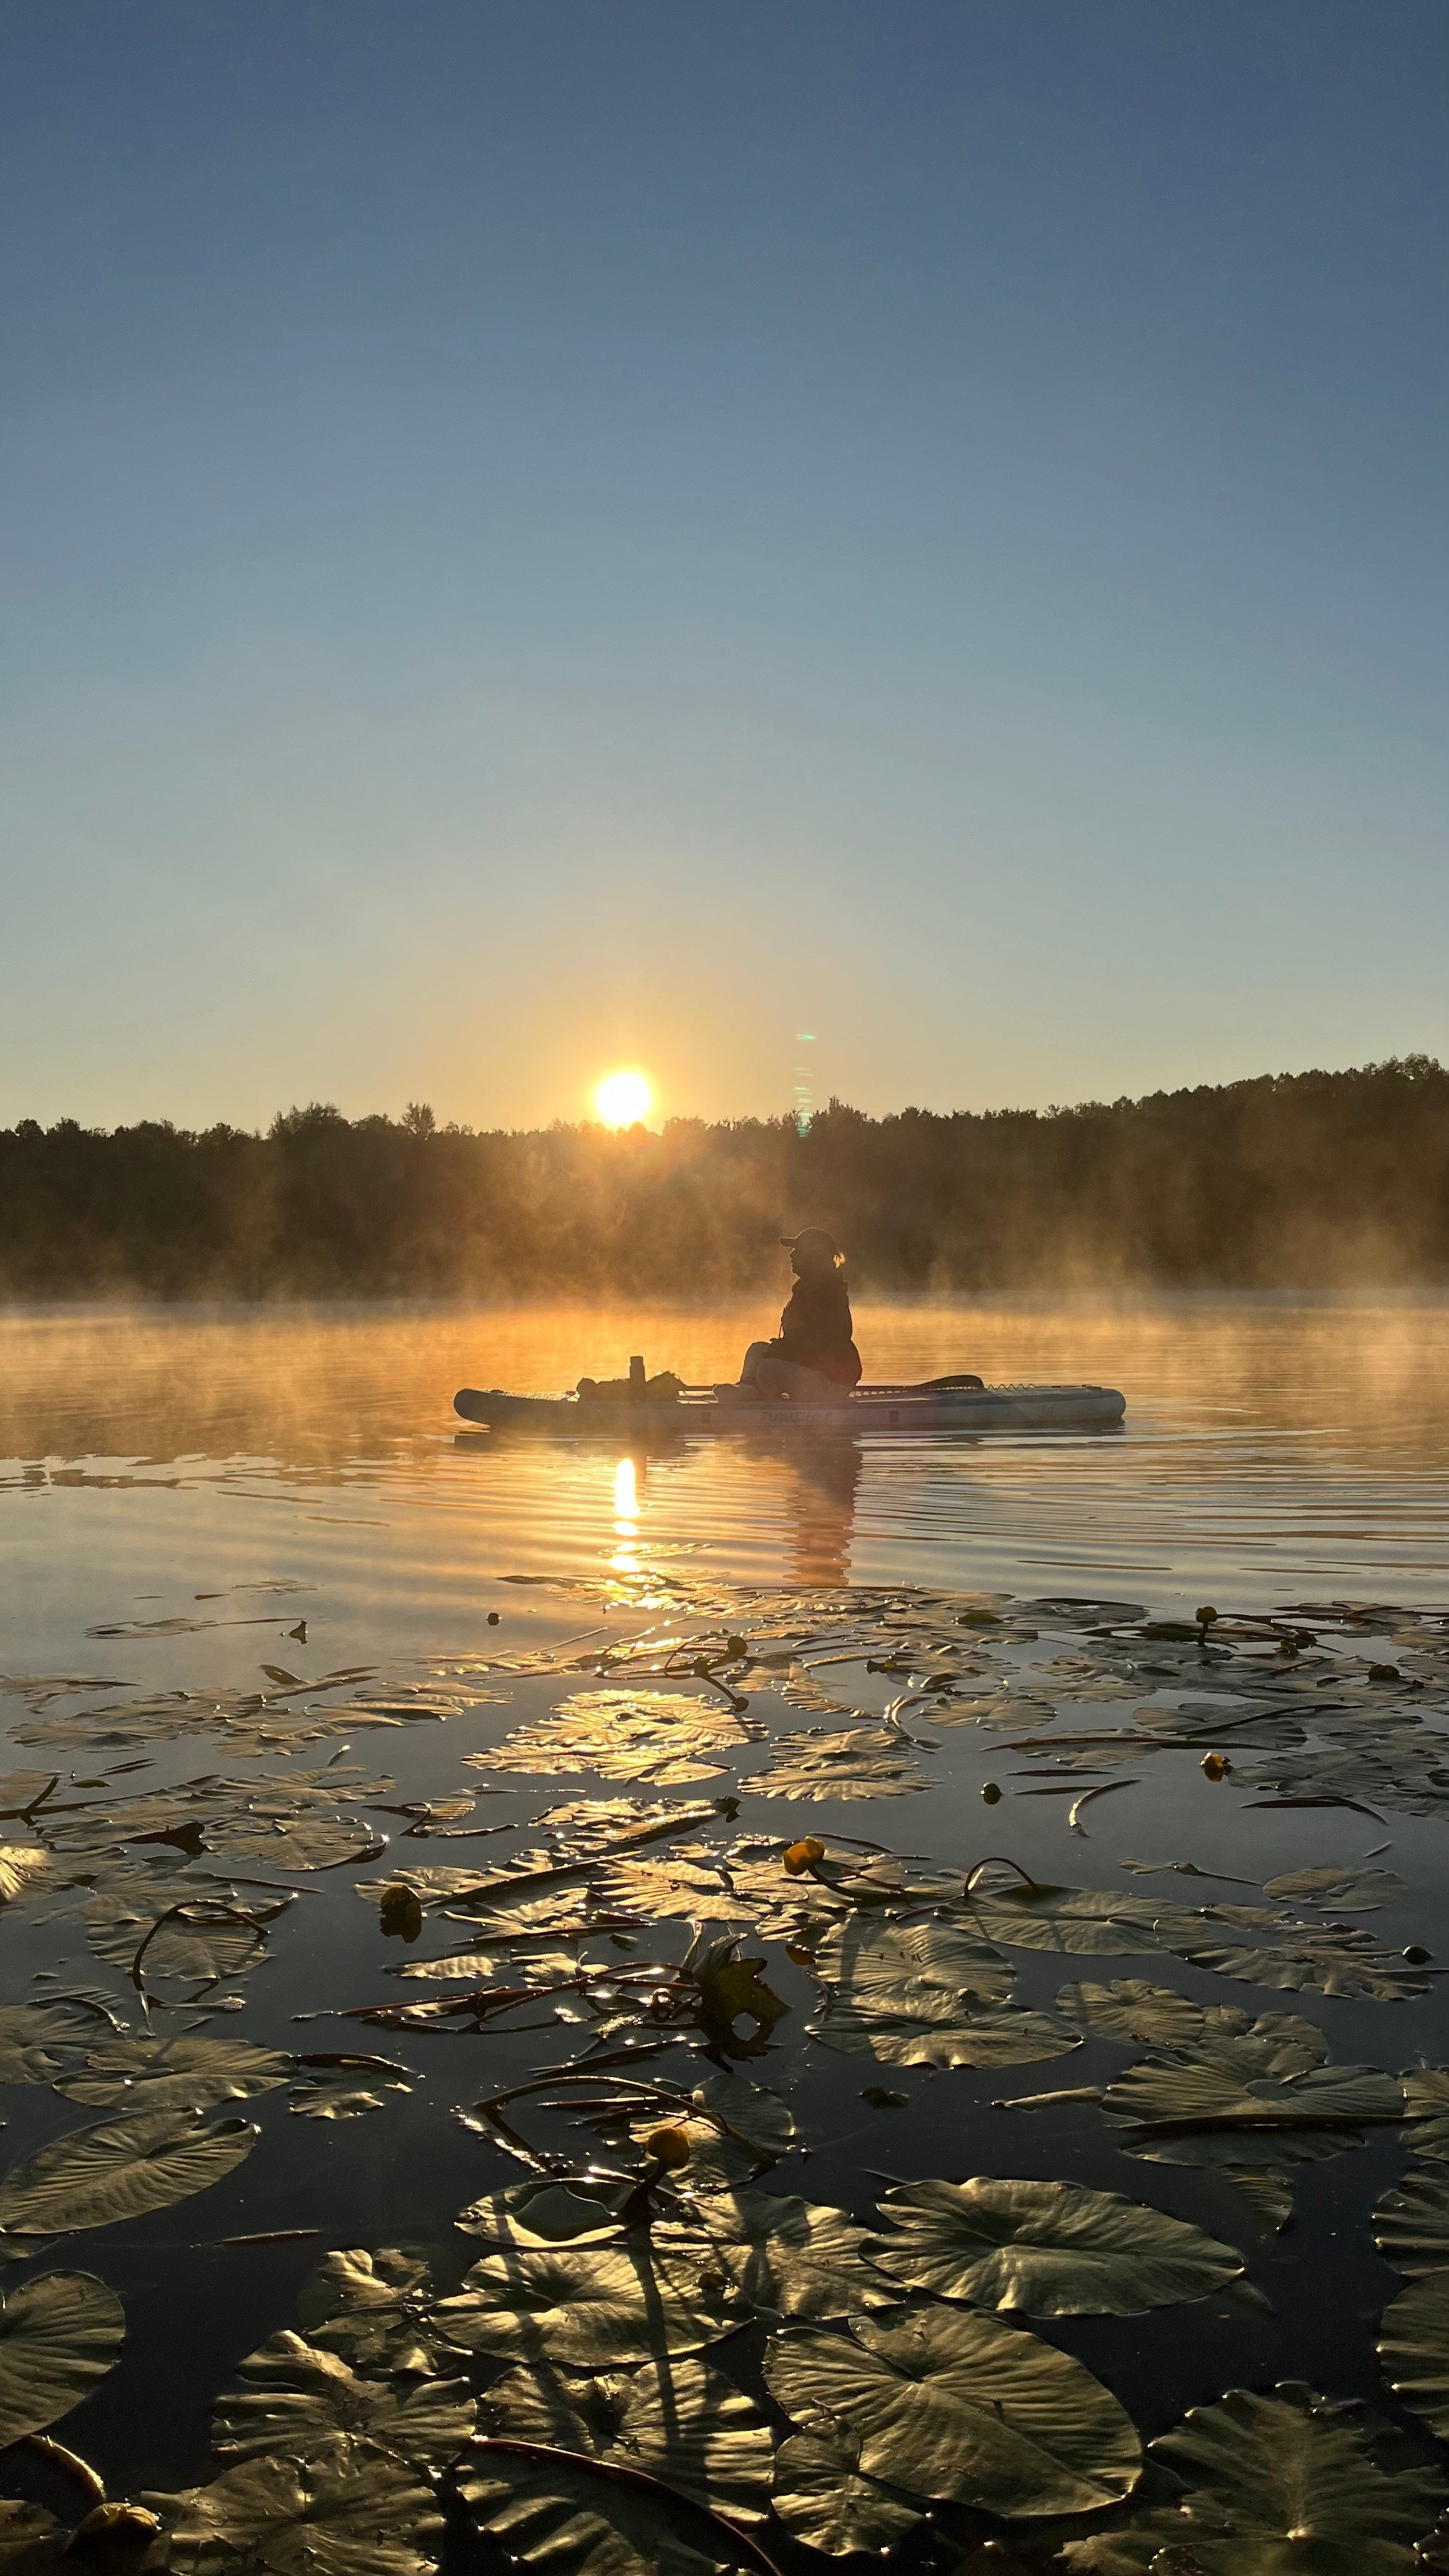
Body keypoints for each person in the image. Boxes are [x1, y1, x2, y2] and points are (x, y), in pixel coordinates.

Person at [717, 1229, 862, 1403]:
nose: (791, 1256)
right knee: (757, 1350)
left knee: (768, 1368)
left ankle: (765, 1408)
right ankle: (748, 1391)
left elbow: (821, 1344)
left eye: (798, 1251)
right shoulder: (808, 1288)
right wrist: (781, 1350)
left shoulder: (826, 1293)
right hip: (812, 1372)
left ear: (813, 1257)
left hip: (832, 1381)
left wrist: (782, 1352)